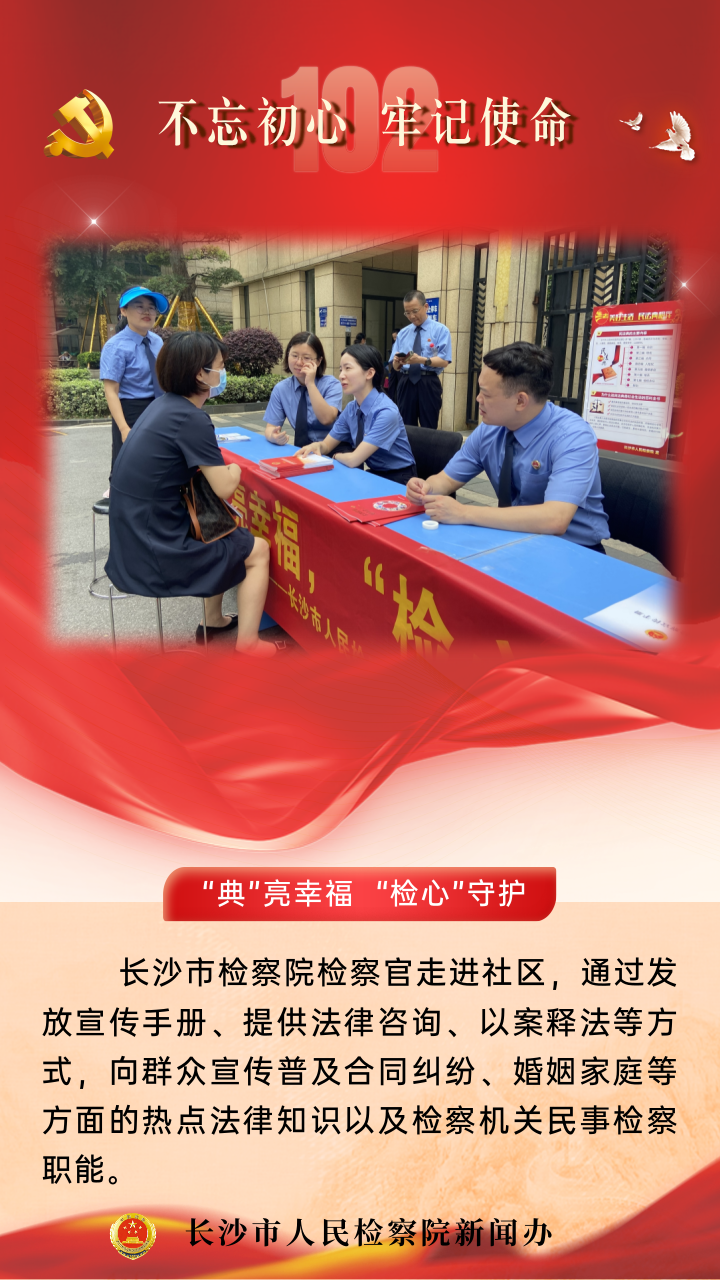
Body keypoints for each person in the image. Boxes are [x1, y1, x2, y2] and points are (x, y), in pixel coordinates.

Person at [106, 331, 273, 654]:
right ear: (200, 374)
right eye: (220, 366)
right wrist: (236, 470)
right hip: (155, 545)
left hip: (132, 534)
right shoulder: (191, 418)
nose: (223, 373)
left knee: (220, 530)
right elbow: (225, 486)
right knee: (258, 550)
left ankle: (214, 619)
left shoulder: (161, 406)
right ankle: (249, 646)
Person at [407, 342, 610, 551]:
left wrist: (463, 513)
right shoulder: (489, 429)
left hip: (572, 549)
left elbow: (555, 519)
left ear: (520, 401)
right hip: (511, 537)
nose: (478, 399)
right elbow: (448, 479)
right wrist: (426, 488)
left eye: (486, 394)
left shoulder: (572, 437)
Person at [296, 344, 417, 485]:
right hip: (374, 474)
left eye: (348, 368)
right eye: (341, 370)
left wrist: (335, 456)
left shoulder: (386, 412)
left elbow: (354, 460)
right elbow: (327, 445)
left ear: (369, 373)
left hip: (400, 479)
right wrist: (317, 446)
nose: (341, 375)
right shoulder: (351, 409)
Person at [100, 287, 170, 484]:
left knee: (157, 461)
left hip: (159, 407)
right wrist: (124, 428)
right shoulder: (115, 346)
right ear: (124, 311)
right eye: (139, 306)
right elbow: (111, 391)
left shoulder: (157, 341)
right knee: (128, 463)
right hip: (131, 410)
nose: (147, 311)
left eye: (151, 307)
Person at [264, 332, 342, 447]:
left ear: (318, 361)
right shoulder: (281, 389)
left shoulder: (331, 385)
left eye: (306, 358)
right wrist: (273, 436)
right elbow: (270, 427)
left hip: (333, 449)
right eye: (294, 356)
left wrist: (310, 384)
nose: (299, 362)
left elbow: (327, 419)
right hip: (302, 451)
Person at [390, 290, 452, 430]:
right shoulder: (403, 333)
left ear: (426, 307)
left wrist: (421, 360)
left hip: (428, 381)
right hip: (406, 381)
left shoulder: (440, 330)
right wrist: (397, 362)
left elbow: (444, 360)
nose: (411, 316)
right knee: (405, 427)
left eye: (415, 311)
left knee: (429, 427)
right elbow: (395, 367)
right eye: (407, 313)